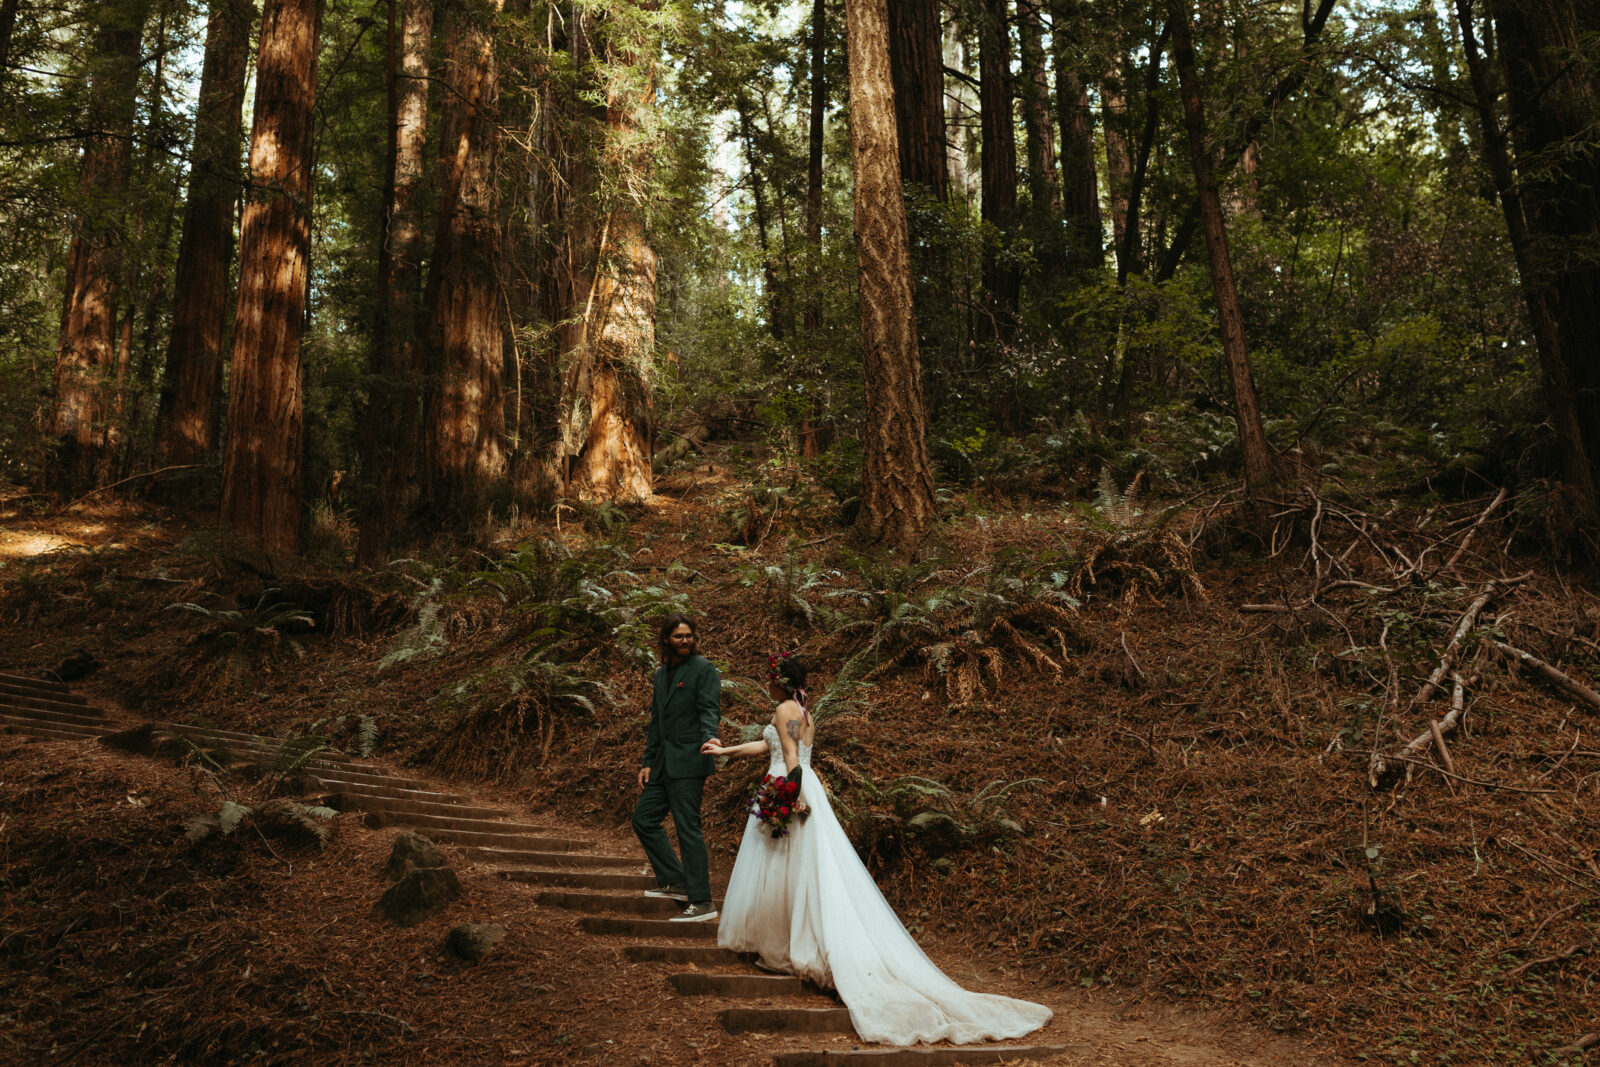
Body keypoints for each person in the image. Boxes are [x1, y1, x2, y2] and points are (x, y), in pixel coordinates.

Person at [702, 655, 1053, 1046]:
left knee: (788, 865)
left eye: (769, 678)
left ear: (779, 682)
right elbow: (770, 744)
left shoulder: (785, 707)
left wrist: (789, 796)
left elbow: (789, 758)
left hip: (790, 786)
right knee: (799, 869)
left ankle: (799, 949)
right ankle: (791, 942)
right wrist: (726, 751)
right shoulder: (802, 709)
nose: (766, 684)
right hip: (800, 784)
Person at [632, 613, 722, 922]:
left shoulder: (704, 670)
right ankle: (676, 881)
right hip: (661, 765)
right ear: (666, 640)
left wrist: (710, 736)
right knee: (643, 819)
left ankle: (702, 901)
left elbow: (709, 709)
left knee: (688, 828)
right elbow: (657, 722)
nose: (685, 641)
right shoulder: (660, 675)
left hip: (690, 760)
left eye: (689, 635)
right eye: (678, 636)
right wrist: (647, 762)